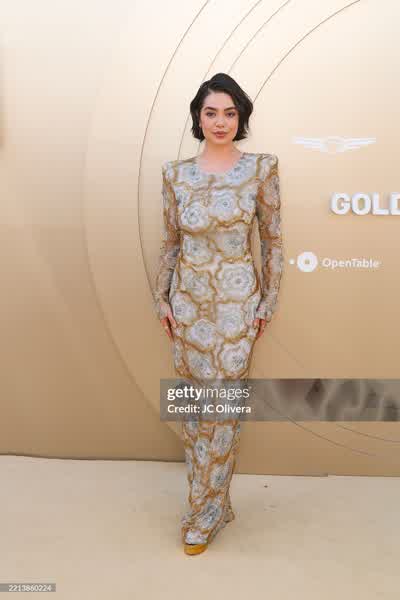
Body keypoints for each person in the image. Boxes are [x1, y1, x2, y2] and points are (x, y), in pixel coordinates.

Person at [154, 73, 284, 555]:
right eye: (211, 112)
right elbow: (171, 242)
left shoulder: (261, 169)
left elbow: (273, 241)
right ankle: (213, 503)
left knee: (222, 414)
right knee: (193, 414)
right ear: (198, 117)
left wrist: (267, 302)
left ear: (241, 117)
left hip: (236, 311)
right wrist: (161, 298)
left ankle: (204, 514)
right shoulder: (174, 174)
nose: (221, 121)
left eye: (230, 113)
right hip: (187, 309)